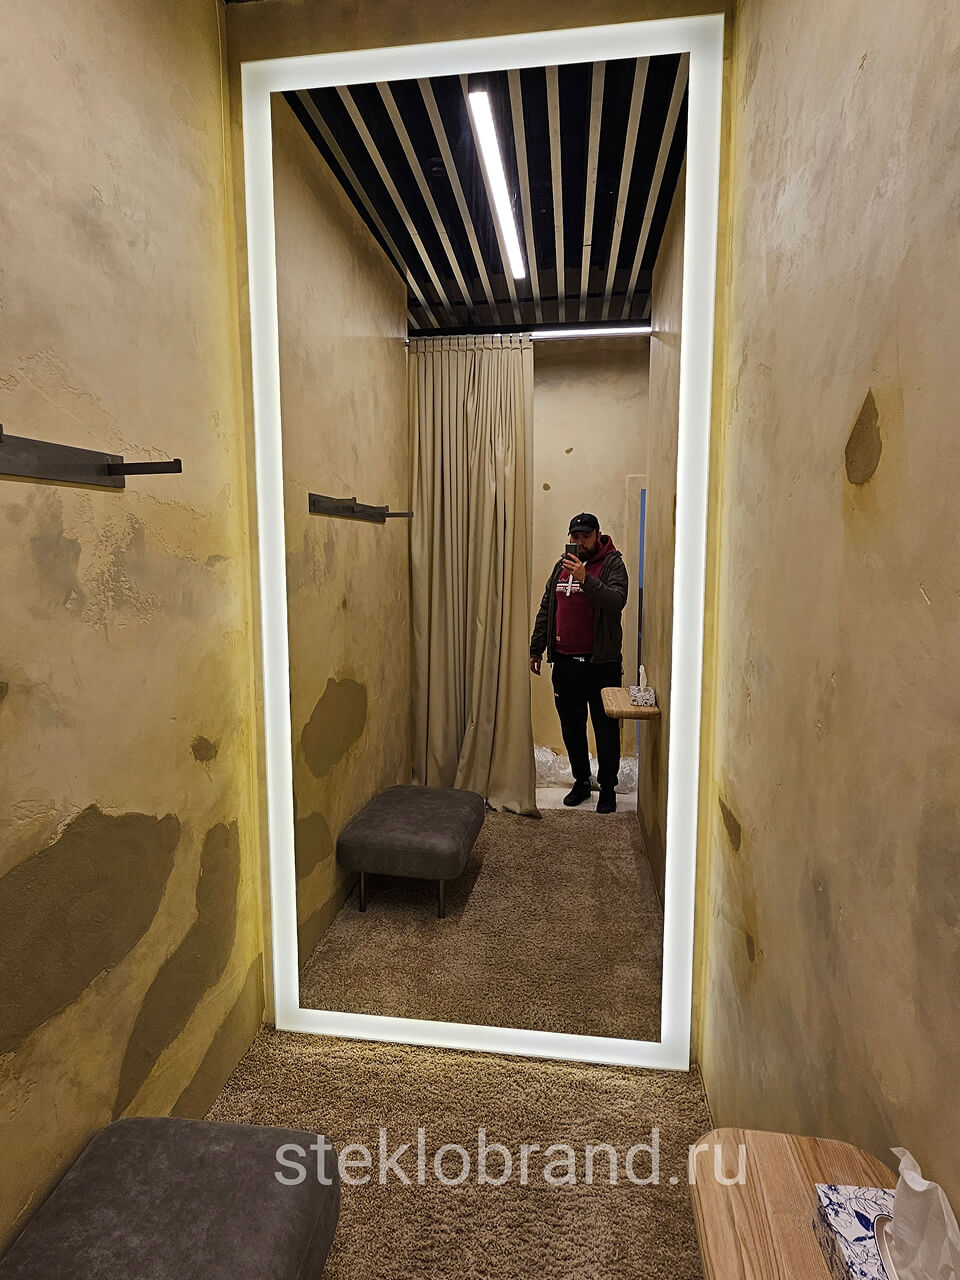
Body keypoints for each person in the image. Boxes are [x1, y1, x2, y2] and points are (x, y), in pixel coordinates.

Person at [529, 512, 628, 814]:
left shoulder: (612, 564)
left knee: (605, 730)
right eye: (575, 536)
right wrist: (536, 648)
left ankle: (607, 788)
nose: (580, 542)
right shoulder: (561, 567)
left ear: (598, 535)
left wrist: (586, 579)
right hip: (565, 663)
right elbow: (548, 606)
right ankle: (582, 781)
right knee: (572, 728)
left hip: (601, 664)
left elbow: (616, 601)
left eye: (586, 536)